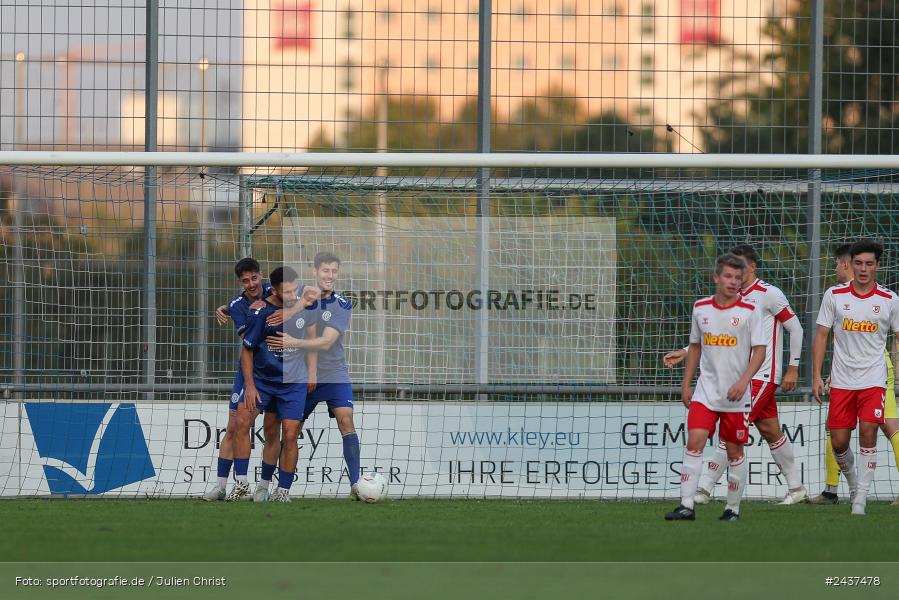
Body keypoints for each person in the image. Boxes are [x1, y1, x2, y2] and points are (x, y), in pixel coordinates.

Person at [662, 245, 806, 504]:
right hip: (739, 377)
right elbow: (719, 335)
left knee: (731, 431)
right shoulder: (732, 299)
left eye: (740, 267)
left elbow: (795, 328)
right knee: (771, 430)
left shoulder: (768, 294)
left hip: (761, 374)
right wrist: (686, 351)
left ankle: (703, 489)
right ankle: (796, 488)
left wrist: (793, 367)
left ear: (751, 267)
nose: (735, 274)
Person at [666, 253, 766, 521]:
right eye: (728, 276)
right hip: (706, 391)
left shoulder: (750, 311)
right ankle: (686, 505)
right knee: (695, 440)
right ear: (716, 277)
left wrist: (743, 381)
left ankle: (732, 509)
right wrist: (686, 383)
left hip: (736, 395)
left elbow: (759, 352)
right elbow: (696, 346)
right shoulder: (701, 308)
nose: (733, 282)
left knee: (734, 451)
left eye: (738, 277)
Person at [811, 240, 899, 515]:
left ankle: (860, 498)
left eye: (869, 263)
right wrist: (816, 375)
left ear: (877, 266)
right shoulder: (834, 295)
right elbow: (822, 335)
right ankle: (852, 483)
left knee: (869, 431)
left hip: (874, 379)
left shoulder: (890, 300)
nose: (863, 269)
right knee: (838, 441)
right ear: (852, 264)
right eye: (858, 263)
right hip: (841, 380)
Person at [267, 252, 361, 499]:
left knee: (346, 421)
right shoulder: (297, 293)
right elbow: (264, 290)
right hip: (300, 375)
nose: (330, 276)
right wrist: (228, 306)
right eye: (325, 271)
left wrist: (293, 341)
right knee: (289, 430)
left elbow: (326, 342)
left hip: (334, 374)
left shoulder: (342, 304)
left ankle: (356, 484)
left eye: (334, 271)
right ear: (315, 272)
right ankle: (277, 487)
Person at [231, 266, 321, 502]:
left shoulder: (305, 304)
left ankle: (283, 492)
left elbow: (312, 339)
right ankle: (243, 485)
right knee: (244, 422)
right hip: (263, 381)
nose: (292, 295)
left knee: (290, 435)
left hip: (294, 382)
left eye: (294, 290)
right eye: (286, 292)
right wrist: (250, 386)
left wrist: (312, 371)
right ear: (275, 290)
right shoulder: (260, 311)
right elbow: (247, 350)